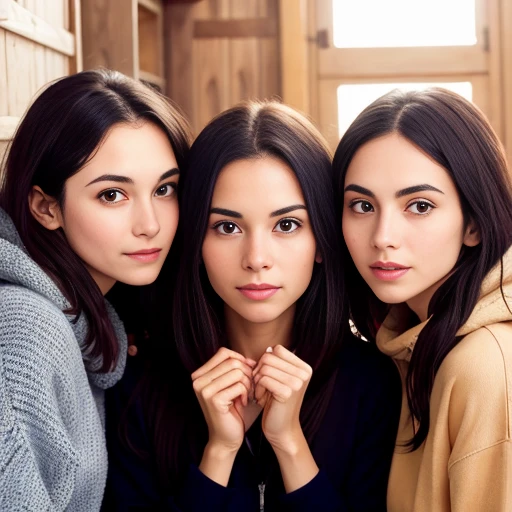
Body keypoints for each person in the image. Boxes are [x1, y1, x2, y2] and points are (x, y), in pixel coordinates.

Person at [104, 100, 401, 511]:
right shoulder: (138, 385)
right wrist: (220, 453)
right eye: (227, 227)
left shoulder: (373, 383)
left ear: (321, 241)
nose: (256, 258)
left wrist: (290, 444)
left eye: (287, 225)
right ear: (195, 241)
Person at [0, 69, 191, 511]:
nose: (151, 224)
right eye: (112, 195)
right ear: (47, 208)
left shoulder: (94, 316)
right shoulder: (26, 331)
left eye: (164, 189)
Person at [332, 88, 512, 511]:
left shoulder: (484, 368)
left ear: (474, 224)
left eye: (419, 205)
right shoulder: (410, 344)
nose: (382, 237)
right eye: (362, 205)